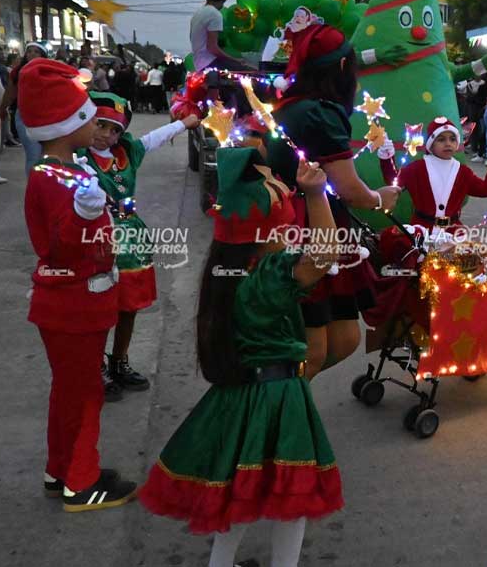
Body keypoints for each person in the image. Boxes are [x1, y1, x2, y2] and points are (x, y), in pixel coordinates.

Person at [138, 147, 342, 567]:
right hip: (279, 397)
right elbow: (325, 254)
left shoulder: (226, 270)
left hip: (236, 396)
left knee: (236, 493)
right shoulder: (271, 273)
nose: (284, 185)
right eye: (278, 187)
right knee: (292, 497)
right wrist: (318, 195)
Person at [19, 58, 138, 512]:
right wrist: (86, 217)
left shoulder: (66, 172)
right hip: (72, 304)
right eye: (89, 116)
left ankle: (61, 468)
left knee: (71, 390)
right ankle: (81, 482)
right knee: (85, 393)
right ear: (68, 125)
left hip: (81, 301)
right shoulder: (52, 179)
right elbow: (59, 247)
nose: (99, 125)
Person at [271, 23, 400, 380]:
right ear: (343, 69)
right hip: (307, 229)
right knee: (312, 353)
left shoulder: (295, 106)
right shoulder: (320, 113)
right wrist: (380, 198)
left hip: (317, 223)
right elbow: (350, 190)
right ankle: (279, 419)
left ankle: (289, 402)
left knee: (344, 339)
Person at [79, 92, 201, 399]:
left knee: (129, 306)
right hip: (97, 238)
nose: (106, 135)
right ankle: (95, 367)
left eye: (114, 129)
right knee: (100, 306)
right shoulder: (77, 157)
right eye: (100, 125)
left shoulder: (128, 152)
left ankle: (119, 361)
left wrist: (185, 123)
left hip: (132, 238)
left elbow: (155, 138)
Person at [378, 116, 487, 231]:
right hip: (422, 230)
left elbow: (485, 190)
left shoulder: (463, 172)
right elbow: (393, 183)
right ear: (431, 145)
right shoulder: (416, 168)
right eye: (441, 140)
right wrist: (387, 158)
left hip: (453, 231)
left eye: (452, 139)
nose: (448, 144)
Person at [0, 42, 50, 175]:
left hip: (47, 117)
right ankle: (33, 190)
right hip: (25, 117)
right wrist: (1, 110)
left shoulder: (49, 71)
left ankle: (45, 187)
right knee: (33, 155)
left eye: (36, 51)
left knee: (47, 157)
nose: (32, 54)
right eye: (29, 51)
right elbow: (10, 93)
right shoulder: (18, 72)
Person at [191, 0, 255, 72]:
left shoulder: (197, 14)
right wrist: (235, 59)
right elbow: (212, 48)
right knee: (251, 72)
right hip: (210, 63)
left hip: (198, 64)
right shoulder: (215, 14)